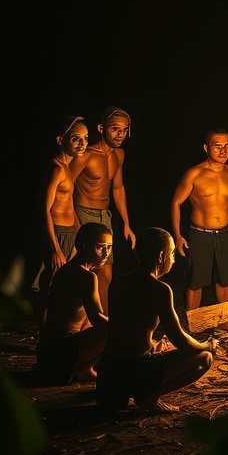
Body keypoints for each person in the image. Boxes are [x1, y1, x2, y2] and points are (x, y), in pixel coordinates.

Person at [95, 227, 216, 414]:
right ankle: (149, 398)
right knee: (204, 359)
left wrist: (151, 344)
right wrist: (205, 346)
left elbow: (126, 327)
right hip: (136, 370)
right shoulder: (160, 289)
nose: (174, 259)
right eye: (173, 253)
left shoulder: (119, 283)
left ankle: (126, 393)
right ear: (161, 256)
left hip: (107, 373)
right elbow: (178, 338)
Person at [170, 127, 228, 310]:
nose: (223, 150)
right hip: (200, 234)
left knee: (225, 281)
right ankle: (192, 323)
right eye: (217, 146)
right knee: (195, 283)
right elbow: (176, 203)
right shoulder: (194, 173)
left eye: (227, 146)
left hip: (226, 234)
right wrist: (177, 236)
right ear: (206, 147)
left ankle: (224, 321)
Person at [69, 105, 136, 314]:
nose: (120, 134)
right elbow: (65, 186)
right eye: (115, 129)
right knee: (84, 270)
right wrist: (74, 221)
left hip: (104, 218)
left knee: (106, 273)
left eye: (124, 130)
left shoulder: (119, 155)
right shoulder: (86, 155)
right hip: (83, 213)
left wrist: (126, 223)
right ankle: (78, 320)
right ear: (101, 128)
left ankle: (105, 322)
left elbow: (118, 188)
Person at [32, 222, 111, 385]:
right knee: (113, 331)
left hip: (48, 352)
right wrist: (131, 331)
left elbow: (89, 320)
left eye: (109, 247)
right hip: (58, 352)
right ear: (82, 246)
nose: (105, 253)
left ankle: (84, 369)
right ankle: (77, 368)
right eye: (100, 247)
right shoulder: (85, 276)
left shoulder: (68, 270)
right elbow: (98, 319)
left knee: (106, 326)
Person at [31, 114, 89, 333]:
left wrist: (78, 233)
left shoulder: (67, 168)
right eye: (76, 138)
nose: (83, 143)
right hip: (55, 233)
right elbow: (44, 209)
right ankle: (45, 339)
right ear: (60, 140)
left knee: (64, 287)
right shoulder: (56, 169)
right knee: (48, 289)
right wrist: (55, 248)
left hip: (68, 234)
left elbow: (69, 206)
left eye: (85, 138)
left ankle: (61, 335)